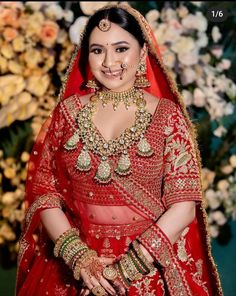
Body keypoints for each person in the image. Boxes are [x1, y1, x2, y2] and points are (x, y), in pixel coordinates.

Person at [16, 3, 223, 296]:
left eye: (121, 48)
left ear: (142, 52)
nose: (109, 61)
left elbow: (184, 206)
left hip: (147, 269)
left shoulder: (167, 117)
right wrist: (82, 259)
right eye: (97, 50)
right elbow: (44, 190)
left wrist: (125, 269)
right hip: (79, 270)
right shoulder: (68, 112)